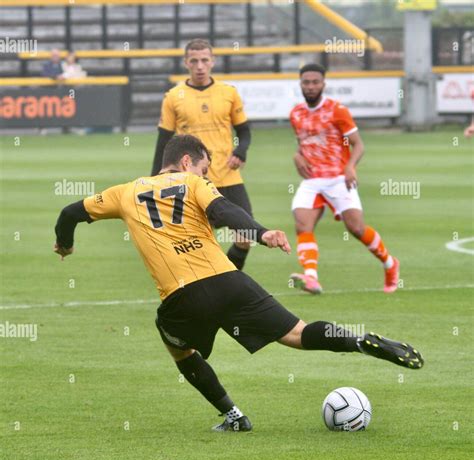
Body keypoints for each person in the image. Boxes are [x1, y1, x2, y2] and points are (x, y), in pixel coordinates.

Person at [54, 134, 424, 432]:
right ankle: (359, 341)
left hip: (181, 297)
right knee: (297, 334)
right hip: (230, 281)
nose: (206, 175)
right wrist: (261, 234)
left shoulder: (124, 192)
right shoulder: (193, 183)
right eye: (204, 168)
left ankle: (234, 416)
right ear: (187, 162)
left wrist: (65, 244)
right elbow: (225, 212)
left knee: (180, 350)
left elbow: (69, 212)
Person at [289, 64, 399, 294]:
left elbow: (359, 144)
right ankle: (311, 278)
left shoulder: (337, 110)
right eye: (306, 82)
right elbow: (305, 143)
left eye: (315, 82)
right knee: (302, 224)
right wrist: (297, 156)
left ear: (323, 84)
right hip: (312, 180)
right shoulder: (296, 113)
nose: (310, 86)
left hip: (339, 178)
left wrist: (350, 166)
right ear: (300, 84)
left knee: (356, 228)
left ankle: (390, 264)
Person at [150, 39, 253, 271]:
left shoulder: (228, 92)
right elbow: (164, 141)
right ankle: (207, 284)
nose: (200, 65)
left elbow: (244, 131)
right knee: (194, 241)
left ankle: (229, 280)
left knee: (245, 235)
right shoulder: (173, 96)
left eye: (205, 60)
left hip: (228, 177)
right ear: (186, 62)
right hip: (192, 181)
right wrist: (155, 178)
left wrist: (241, 151)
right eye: (194, 60)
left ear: (213, 62)